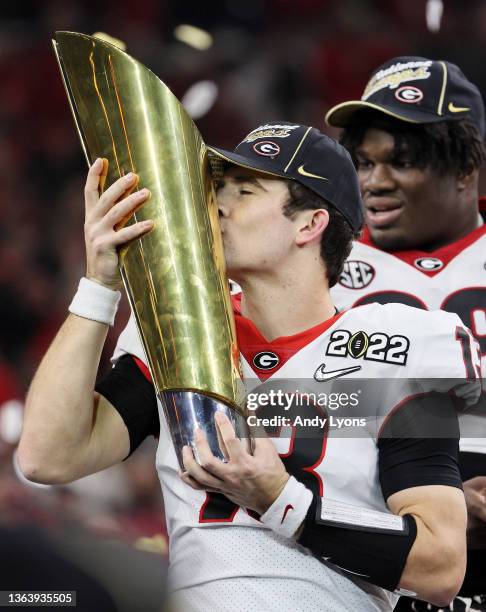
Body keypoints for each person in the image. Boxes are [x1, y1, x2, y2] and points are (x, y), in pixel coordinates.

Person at [19, 122, 482, 612]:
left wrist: (280, 499)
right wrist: (100, 284)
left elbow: (440, 565)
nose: (216, 204)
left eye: (245, 190)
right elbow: (47, 458)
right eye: (217, 188)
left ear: (309, 224)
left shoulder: (397, 344)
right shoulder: (181, 332)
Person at [326, 56, 486, 608]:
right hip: (378, 563)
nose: (374, 182)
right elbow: (282, 409)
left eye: (402, 162)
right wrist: (429, 502)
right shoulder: (318, 269)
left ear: (465, 169)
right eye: (364, 163)